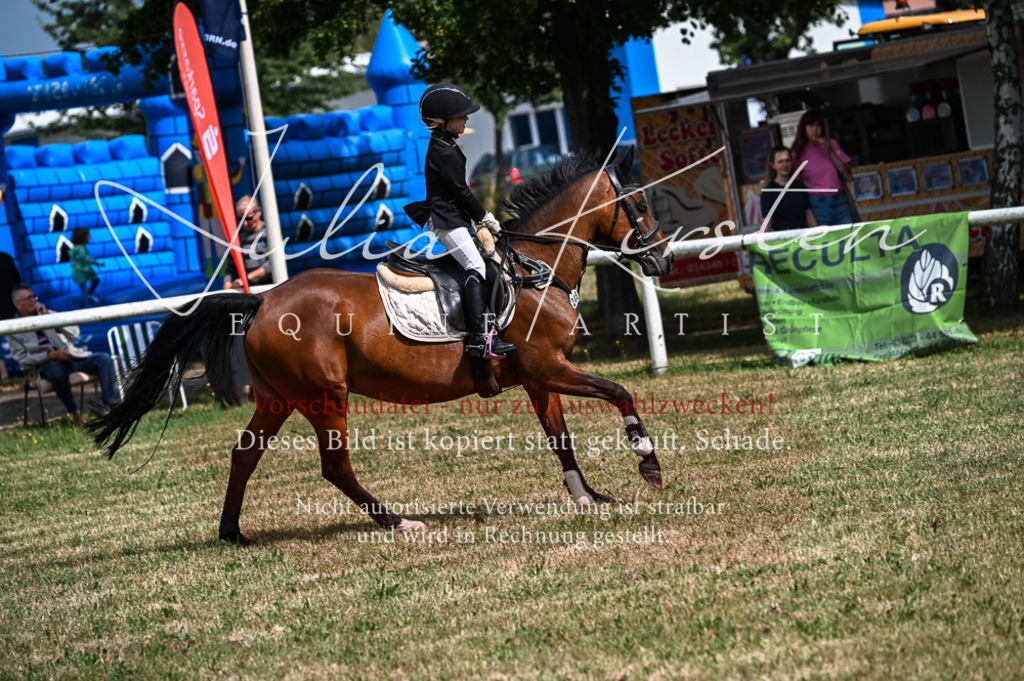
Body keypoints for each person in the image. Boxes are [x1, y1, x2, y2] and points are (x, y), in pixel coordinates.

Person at [406, 83, 515, 359]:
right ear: (443, 121)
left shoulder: (446, 144)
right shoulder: (443, 151)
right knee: (475, 264)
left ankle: (489, 329)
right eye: (461, 116)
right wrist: (485, 217)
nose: (466, 119)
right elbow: (461, 191)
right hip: (446, 221)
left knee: (486, 262)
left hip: (455, 218)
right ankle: (479, 340)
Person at [8, 284, 120, 425]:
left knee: (103, 358)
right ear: (18, 304)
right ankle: (75, 413)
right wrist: (51, 355)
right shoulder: (12, 328)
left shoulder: (48, 314)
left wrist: (48, 317)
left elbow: (74, 334)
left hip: (71, 357)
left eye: (34, 296)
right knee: (56, 373)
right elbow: (22, 359)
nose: (33, 300)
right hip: (47, 365)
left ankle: (111, 406)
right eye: (28, 298)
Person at [791, 110, 854, 226]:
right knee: (825, 239)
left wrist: (831, 152)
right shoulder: (797, 153)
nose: (815, 130)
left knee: (848, 237)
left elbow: (849, 176)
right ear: (803, 129)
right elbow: (797, 184)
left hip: (839, 199)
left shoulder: (832, 144)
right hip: (817, 202)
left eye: (818, 126)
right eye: (811, 126)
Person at [760, 146, 818, 232]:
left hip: (803, 237)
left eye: (787, 160)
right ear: (773, 165)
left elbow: (809, 216)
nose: (785, 165)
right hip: (783, 240)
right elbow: (767, 225)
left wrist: (819, 234)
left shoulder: (800, 186)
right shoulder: (768, 192)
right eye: (780, 162)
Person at [224, 196, 273, 289]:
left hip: (271, 287)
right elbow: (231, 270)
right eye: (241, 219)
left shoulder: (270, 232)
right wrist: (225, 293)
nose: (245, 223)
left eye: (248, 218)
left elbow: (273, 263)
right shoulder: (238, 238)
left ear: (259, 212)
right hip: (249, 291)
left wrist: (247, 278)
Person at [70, 227, 104, 305]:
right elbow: (86, 258)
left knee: (95, 281)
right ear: (82, 238)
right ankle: (86, 304)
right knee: (85, 288)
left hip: (82, 271)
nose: (89, 237)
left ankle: (89, 296)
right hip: (81, 272)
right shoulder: (80, 249)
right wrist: (97, 263)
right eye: (88, 236)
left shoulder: (79, 248)